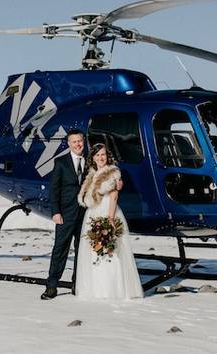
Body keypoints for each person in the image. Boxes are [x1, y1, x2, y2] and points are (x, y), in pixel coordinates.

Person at [74, 143, 143, 301]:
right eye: (97, 155)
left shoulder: (113, 172)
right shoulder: (91, 175)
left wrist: (110, 218)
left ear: (108, 156)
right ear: (93, 158)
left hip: (107, 211)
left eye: (103, 155)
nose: (100, 158)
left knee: (110, 250)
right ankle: (95, 289)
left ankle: (112, 289)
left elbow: (113, 196)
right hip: (92, 213)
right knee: (94, 251)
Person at [41, 129, 87, 300]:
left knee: (82, 251)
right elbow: (54, 189)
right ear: (68, 144)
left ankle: (77, 283)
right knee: (60, 249)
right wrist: (56, 211)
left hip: (85, 214)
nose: (78, 144)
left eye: (80, 141)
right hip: (65, 213)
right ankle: (51, 286)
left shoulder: (89, 162)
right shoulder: (61, 162)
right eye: (74, 142)